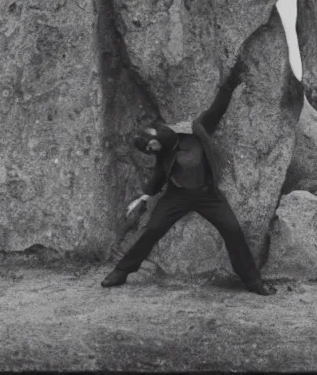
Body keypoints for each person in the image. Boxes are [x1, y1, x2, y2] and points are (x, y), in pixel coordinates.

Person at [102, 64, 277, 296]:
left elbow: (219, 106)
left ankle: (253, 281)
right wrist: (144, 196)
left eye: (149, 142)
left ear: (156, 132)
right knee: (152, 228)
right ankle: (121, 272)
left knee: (233, 230)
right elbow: (158, 176)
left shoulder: (198, 129)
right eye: (147, 148)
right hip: (177, 196)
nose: (150, 148)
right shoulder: (163, 153)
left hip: (208, 195)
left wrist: (232, 79)